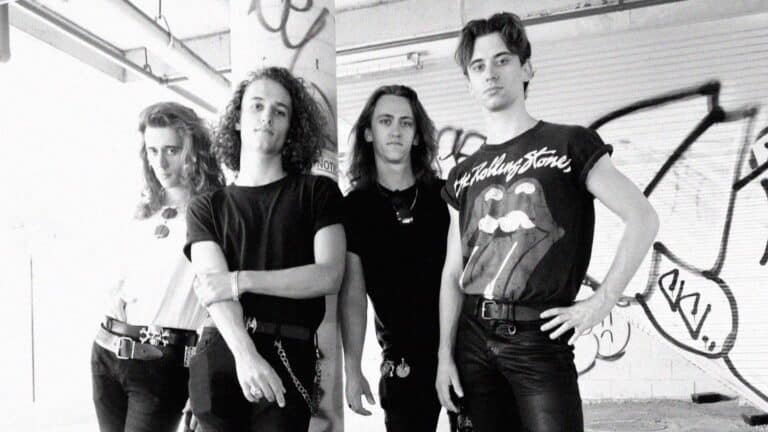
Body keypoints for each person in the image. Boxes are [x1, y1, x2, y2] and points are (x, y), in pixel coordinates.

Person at [434, 12, 660, 432]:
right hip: (472, 341)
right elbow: (452, 272)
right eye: (478, 66)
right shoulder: (462, 174)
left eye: (502, 60)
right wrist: (444, 355)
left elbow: (643, 218)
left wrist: (602, 302)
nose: (490, 74)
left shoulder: (569, 143)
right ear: (469, 82)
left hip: (538, 340)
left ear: (526, 69)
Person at [184, 66, 346, 432]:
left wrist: (241, 280)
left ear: (291, 128)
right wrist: (246, 356)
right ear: (237, 120)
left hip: (289, 352)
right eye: (256, 106)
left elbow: (329, 275)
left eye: (280, 111)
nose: (267, 117)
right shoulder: (206, 207)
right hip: (223, 349)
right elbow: (213, 288)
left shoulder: (317, 192)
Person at [91, 102, 225, 432]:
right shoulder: (142, 209)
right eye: (152, 151)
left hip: (163, 365)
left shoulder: (216, 211)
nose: (160, 163)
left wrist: (202, 380)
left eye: (171, 150)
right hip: (107, 352)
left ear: (194, 151)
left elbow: (221, 303)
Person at [339, 85, 452, 431]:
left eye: (406, 123)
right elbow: (354, 296)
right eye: (385, 121)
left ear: (417, 136)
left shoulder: (444, 196)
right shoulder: (354, 207)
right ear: (369, 132)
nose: (396, 130)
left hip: (462, 346)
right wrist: (352, 369)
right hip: (403, 358)